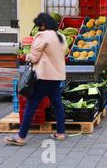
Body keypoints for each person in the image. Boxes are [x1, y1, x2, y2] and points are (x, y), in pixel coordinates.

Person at [6, 13, 68, 146]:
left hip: (44, 77)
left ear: (43, 24)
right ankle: (61, 133)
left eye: (39, 25)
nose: (39, 27)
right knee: (57, 104)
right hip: (56, 76)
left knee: (31, 105)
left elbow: (34, 57)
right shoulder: (60, 37)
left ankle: (21, 137)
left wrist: (26, 56)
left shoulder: (42, 36)